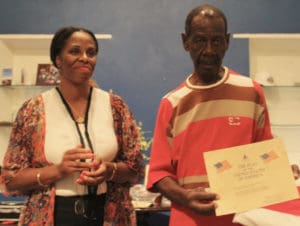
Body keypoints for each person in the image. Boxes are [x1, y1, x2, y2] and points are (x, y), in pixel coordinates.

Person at [146, 4, 299, 226]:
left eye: (216, 41)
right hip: (188, 220)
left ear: (227, 41)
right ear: (185, 42)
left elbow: (263, 154)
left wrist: (279, 170)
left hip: (243, 220)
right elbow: (160, 174)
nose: (209, 50)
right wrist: (186, 198)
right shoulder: (172, 103)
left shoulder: (251, 92)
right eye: (200, 40)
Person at [1, 26, 143, 226]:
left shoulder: (115, 106)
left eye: (91, 52)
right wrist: (58, 170)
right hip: (53, 216)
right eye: (75, 51)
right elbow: (11, 178)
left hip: (110, 214)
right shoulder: (33, 110)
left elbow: (135, 168)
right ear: (58, 60)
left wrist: (108, 169)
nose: (85, 57)